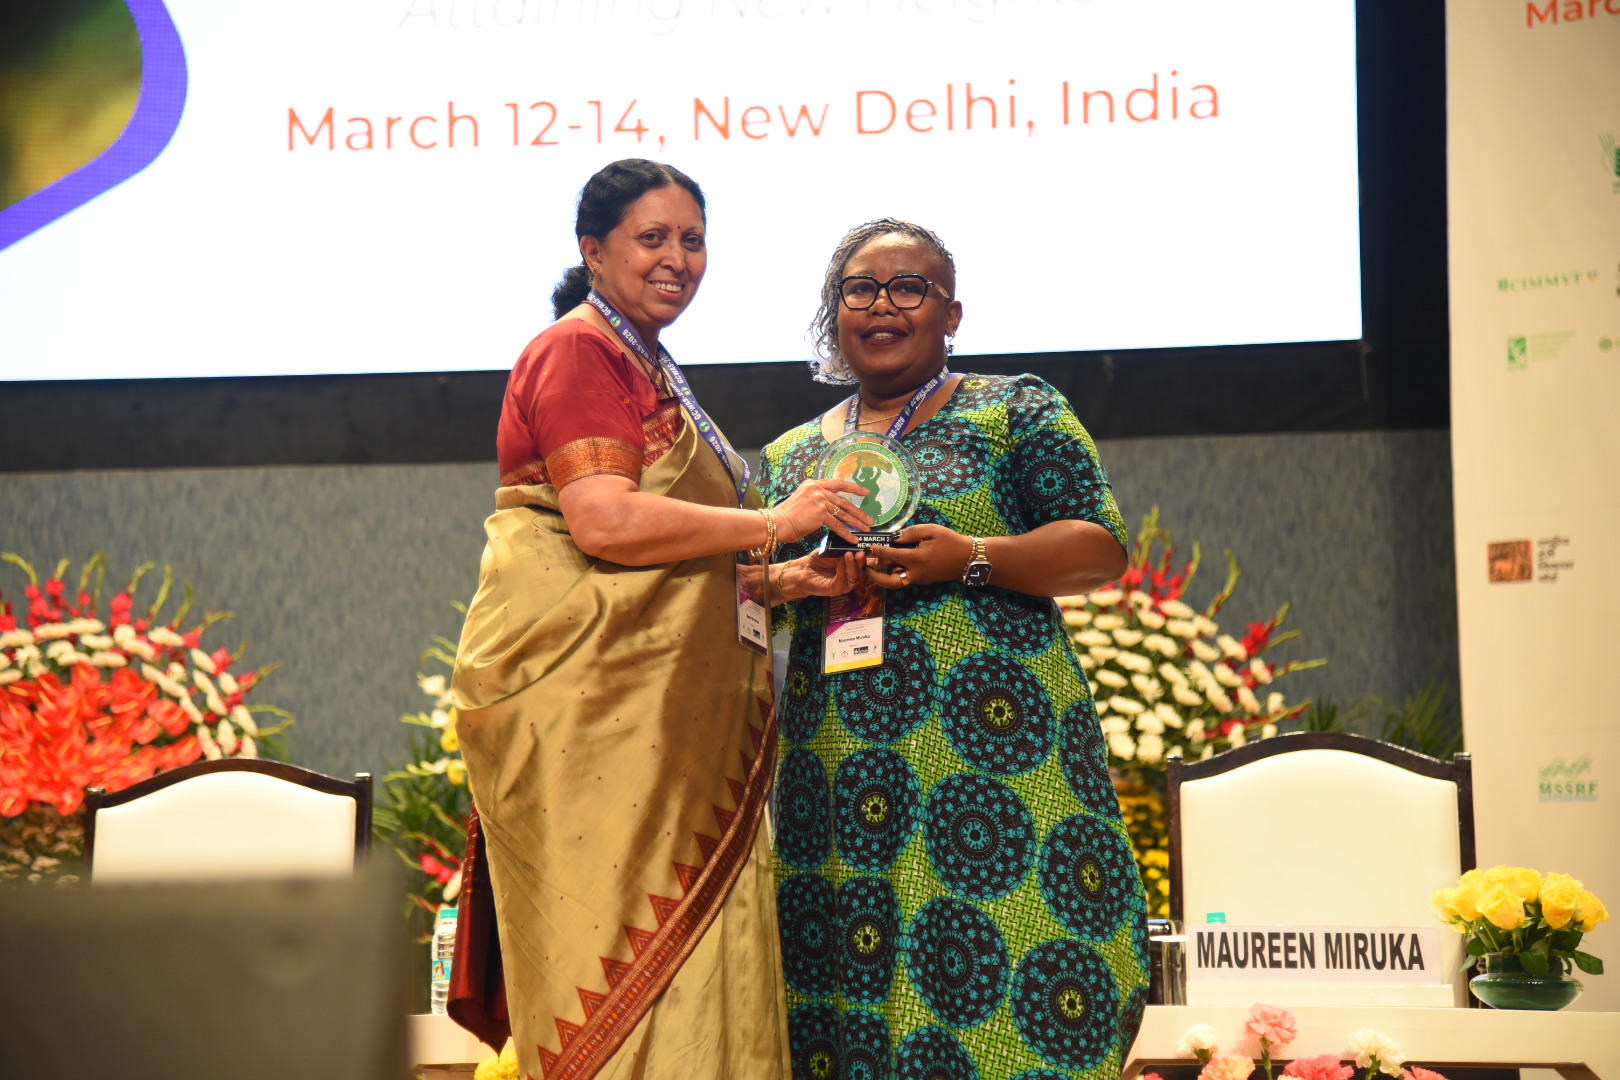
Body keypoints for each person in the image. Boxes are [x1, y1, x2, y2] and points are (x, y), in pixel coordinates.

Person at [449, 159, 872, 1080]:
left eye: (693, 239)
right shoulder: (577, 351)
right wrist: (775, 522)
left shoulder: (648, 364)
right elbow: (603, 523)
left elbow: (666, 568)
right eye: (653, 238)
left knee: (698, 963)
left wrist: (783, 579)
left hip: (657, 724)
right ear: (594, 251)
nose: (678, 258)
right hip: (589, 716)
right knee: (622, 961)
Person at [758, 219, 1152, 1079]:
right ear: (835, 312)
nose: (882, 306)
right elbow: (752, 594)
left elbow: (1099, 548)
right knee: (852, 980)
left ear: (952, 314)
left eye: (910, 288)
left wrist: (972, 556)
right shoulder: (790, 458)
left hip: (996, 756)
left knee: (1014, 948)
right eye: (860, 289)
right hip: (838, 765)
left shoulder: (1014, 410)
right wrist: (796, 580)